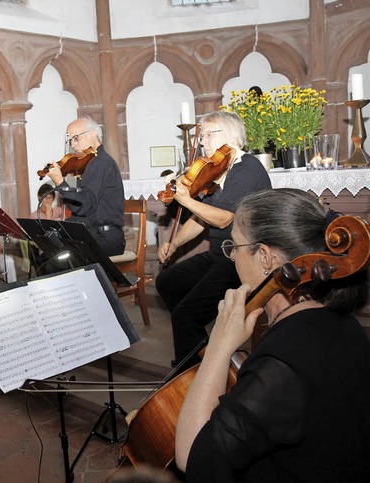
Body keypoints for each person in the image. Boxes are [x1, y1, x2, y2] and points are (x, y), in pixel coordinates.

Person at [175, 188, 370, 482]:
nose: (232, 257)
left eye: (236, 246)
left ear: (265, 257)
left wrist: (218, 344)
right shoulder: (345, 325)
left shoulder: (284, 361)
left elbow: (192, 457)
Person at [156, 111, 272, 371]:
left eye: (211, 134)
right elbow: (201, 219)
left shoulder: (247, 167)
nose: (203, 141)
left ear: (233, 137)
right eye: (203, 136)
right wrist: (174, 245)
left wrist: (185, 199)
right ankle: (200, 348)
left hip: (245, 258)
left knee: (185, 314)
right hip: (222, 254)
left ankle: (190, 372)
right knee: (167, 281)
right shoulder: (217, 172)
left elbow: (223, 219)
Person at [46, 116, 125, 256]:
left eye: (76, 138)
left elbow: (85, 206)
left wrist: (60, 183)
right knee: (49, 253)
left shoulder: (101, 163)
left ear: (93, 134)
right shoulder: (88, 164)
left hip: (104, 238)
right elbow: (78, 207)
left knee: (55, 263)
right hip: (90, 233)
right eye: (70, 141)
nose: (73, 145)